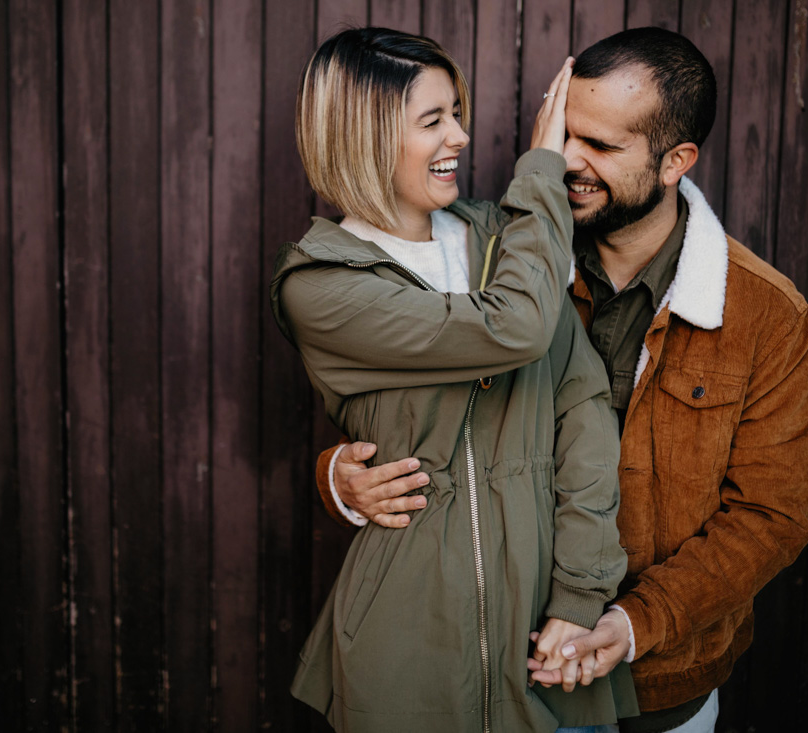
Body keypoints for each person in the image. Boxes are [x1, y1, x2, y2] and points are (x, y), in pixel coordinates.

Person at [320, 27, 808, 733]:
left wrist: (632, 622)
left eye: (604, 147)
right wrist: (339, 472)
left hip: (659, 683)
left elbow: (771, 516)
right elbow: (419, 397)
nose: (570, 165)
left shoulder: (766, 313)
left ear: (677, 159)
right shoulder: (503, 258)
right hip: (509, 672)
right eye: (565, 135)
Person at [271, 27, 638, 733]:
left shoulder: (508, 237)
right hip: (405, 652)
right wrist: (540, 170)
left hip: (548, 644)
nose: (462, 137)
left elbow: (582, 408)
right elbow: (515, 328)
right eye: (433, 120)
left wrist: (578, 594)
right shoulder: (319, 284)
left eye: (458, 114)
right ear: (367, 136)